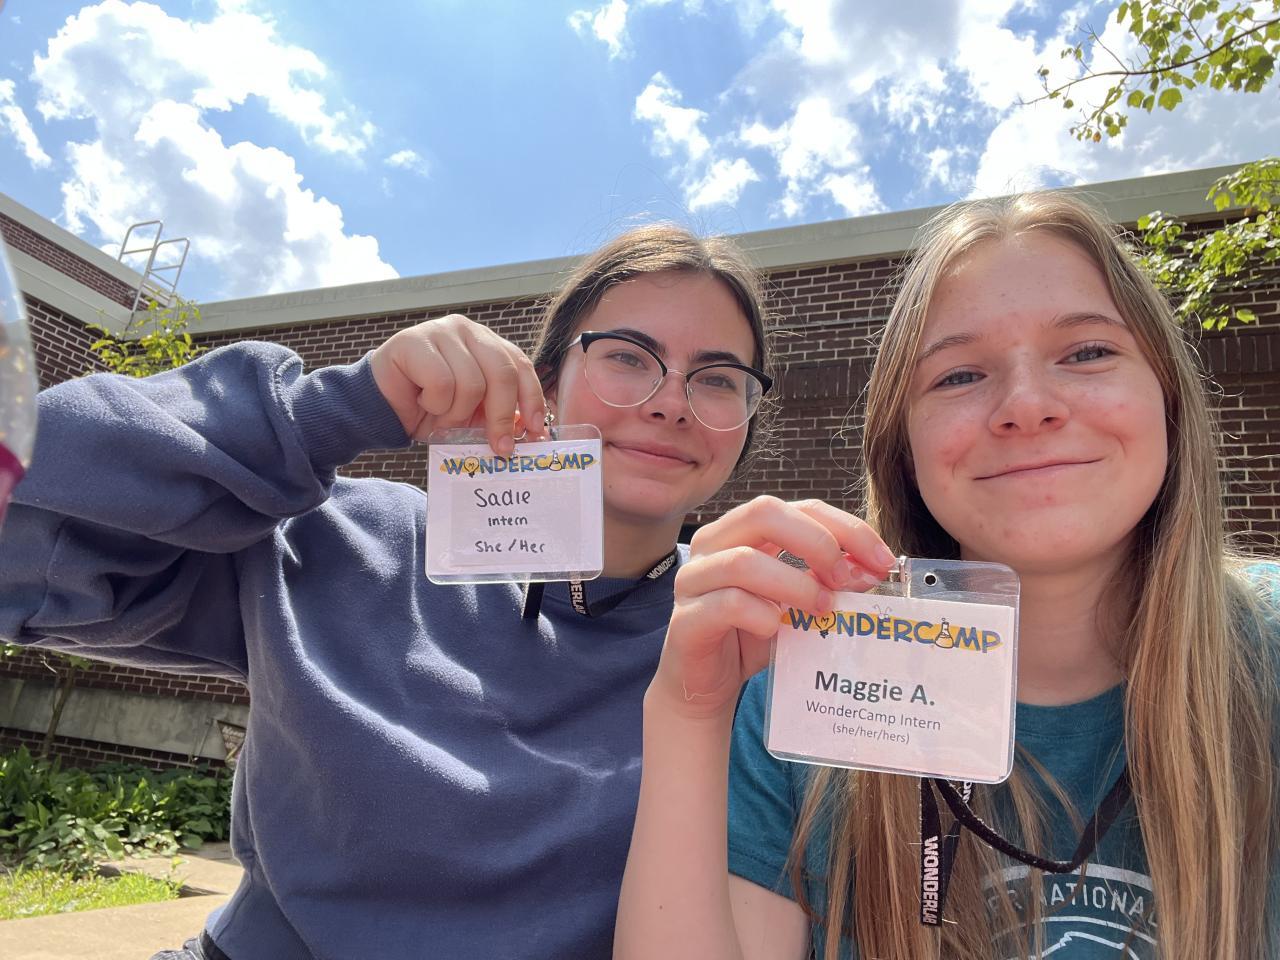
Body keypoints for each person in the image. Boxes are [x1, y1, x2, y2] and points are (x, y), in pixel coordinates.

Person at [0, 223, 776, 960]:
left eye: (717, 378)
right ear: (546, 383)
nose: (670, 401)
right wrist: (328, 412)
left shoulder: (752, 636)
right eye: (628, 357)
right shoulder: (349, 541)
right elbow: (19, 537)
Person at [614, 193, 1279, 960]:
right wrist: (689, 714)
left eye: (1088, 352)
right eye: (959, 375)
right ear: (903, 448)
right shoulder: (800, 692)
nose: (1027, 406)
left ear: (1167, 397)